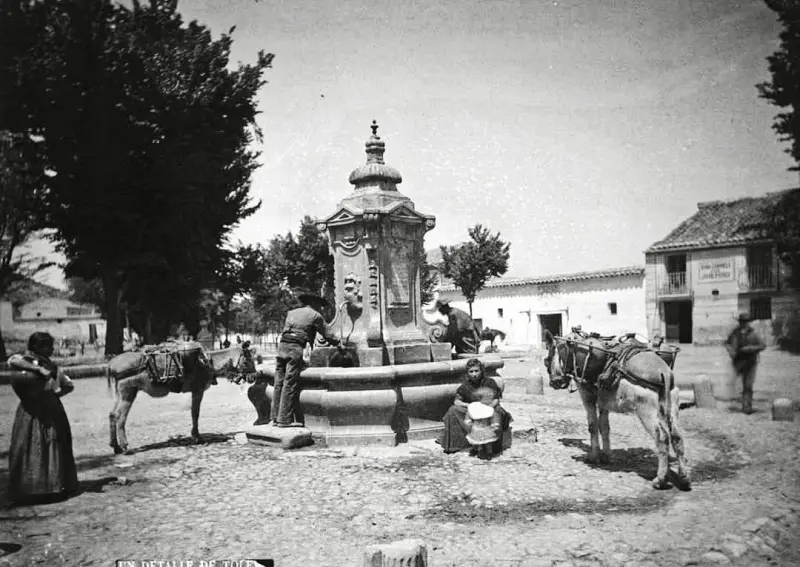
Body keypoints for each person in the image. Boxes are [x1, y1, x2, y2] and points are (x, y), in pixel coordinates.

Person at [6, 332, 79, 504]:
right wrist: (39, 369)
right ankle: (42, 487)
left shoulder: (49, 366)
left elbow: (67, 384)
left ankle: (45, 486)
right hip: (41, 410)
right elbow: (12, 360)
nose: (52, 349)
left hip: (36, 410)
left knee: (37, 443)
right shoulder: (27, 361)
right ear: (37, 347)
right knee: (44, 443)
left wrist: (53, 395)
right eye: (48, 346)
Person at [268, 289, 340, 428]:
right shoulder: (315, 315)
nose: (321, 308)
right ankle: (284, 420)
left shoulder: (291, 313)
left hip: (282, 346)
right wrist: (340, 344)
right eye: (320, 305)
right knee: (290, 382)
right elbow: (328, 335)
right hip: (295, 349)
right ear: (313, 303)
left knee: (278, 382)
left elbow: (287, 331)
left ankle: (274, 418)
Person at [437, 358, 511, 457]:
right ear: (467, 373)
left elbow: (496, 400)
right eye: (471, 372)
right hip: (472, 410)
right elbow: (457, 401)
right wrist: (470, 406)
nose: (474, 374)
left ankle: (492, 447)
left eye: (476, 371)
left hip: (489, 408)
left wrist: (485, 410)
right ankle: (457, 444)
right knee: (452, 411)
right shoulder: (465, 386)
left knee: (498, 412)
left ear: (481, 371)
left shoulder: (489, 382)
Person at [725, 312, 766, 414]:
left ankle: (746, 407)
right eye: (742, 322)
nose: (743, 323)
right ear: (739, 322)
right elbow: (727, 343)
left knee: (748, 384)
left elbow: (762, 345)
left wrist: (750, 348)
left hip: (750, 362)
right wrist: (730, 351)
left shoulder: (754, 333)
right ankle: (738, 400)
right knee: (736, 383)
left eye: (745, 322)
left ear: (748, 322)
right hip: (738, 362)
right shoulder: (735, 333)